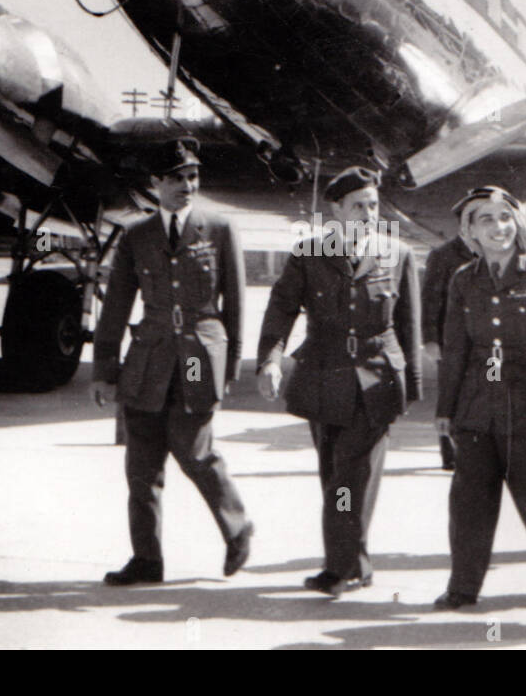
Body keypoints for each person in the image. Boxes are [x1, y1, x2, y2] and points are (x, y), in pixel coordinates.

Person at [91, 137, 254, 586]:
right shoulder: (136, 236)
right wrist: (104, 370)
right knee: (141, 469)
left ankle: (238, 528)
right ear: (156, 183)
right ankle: (147, 560)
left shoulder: (218, 229)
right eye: (177, 178)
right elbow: (116, 307)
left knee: (194, 451)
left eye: (193, 176)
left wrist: (231, 365)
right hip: (147, 362)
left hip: (198, 360)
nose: (187, 185)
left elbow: (236, 303)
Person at [257, 167, 421, 597]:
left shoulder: (397, 253)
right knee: (334, 475)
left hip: (375, 380)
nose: (368, 214)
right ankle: (356, 562)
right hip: (323, 377)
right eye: (358, 206)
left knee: (350, 475)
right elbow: (281, 309)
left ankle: (340, 568)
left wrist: (411, 385)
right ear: (336, 210)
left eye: (373, 205)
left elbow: (408, 325)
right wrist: (271, 360)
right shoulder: (310, 253)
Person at [433, 186, 526, 610]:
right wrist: (445, 409)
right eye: (486, 219)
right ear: (470, 231)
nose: (498, 227)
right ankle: (463, 587)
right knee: (469, 499)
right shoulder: (464, 280)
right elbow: (455, 349)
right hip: (475, 406)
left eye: (505, 218)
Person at [420, 198, 480, 471]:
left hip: (481, 340)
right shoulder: (443, 255)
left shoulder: (489, 251)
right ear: (462, 224)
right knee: (450, 392)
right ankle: (450, 452)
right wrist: (430, 339)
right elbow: (430, 299)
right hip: (450, 341)